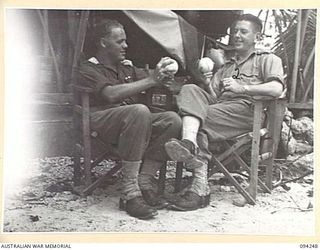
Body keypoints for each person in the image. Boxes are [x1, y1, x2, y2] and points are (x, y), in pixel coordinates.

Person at [165, 14, 285, 211]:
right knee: (190, 92)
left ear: (257, 37)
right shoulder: (226, 67)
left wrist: (242, 88)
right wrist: (204, 82)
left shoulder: (268, 59)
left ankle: (198, 182)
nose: (237, 35)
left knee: (196, 118)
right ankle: (191, 148)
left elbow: (276, 89)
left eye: (243, 32)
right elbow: (212, 96)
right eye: (235, 31)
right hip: (220, 112)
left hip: (247, 113)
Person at [78, 19, 182, 219]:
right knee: (139, 111)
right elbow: (110, 95)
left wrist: (163, 73)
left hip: (132, 123)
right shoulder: (88, 69)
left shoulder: (127, 68)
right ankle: (129, 192)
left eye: (125, 41)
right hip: (100, 122)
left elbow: (154, 80)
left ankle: (144, 181)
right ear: (103, 43)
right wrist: (151, 80)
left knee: (172, 120)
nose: (126, 46)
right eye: (120, 41)